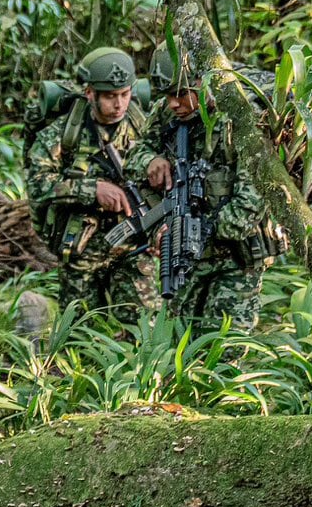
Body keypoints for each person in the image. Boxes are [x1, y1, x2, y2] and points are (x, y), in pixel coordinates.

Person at [129, 45, 270, 330]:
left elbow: (249, 204)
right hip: (186, 257)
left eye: (181, 94)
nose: (173, 103)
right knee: (178, 341)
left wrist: (198, 230)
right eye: (167, 95)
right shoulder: (168, 114)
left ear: (205, 82)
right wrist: (150, 161)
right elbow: (132, 158)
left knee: (225, 348)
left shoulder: (243, 117)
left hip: (236, 260)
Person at [26, 46, 156, 320]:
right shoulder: (62, 134)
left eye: (125, 94)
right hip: (82, 249)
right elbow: (38, 185)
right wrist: (92, 190)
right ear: (89, 93)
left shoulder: (145, 127)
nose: (119, 104)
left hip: (134, 246)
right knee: (81, 330)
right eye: (110, 97)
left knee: (143, 325)